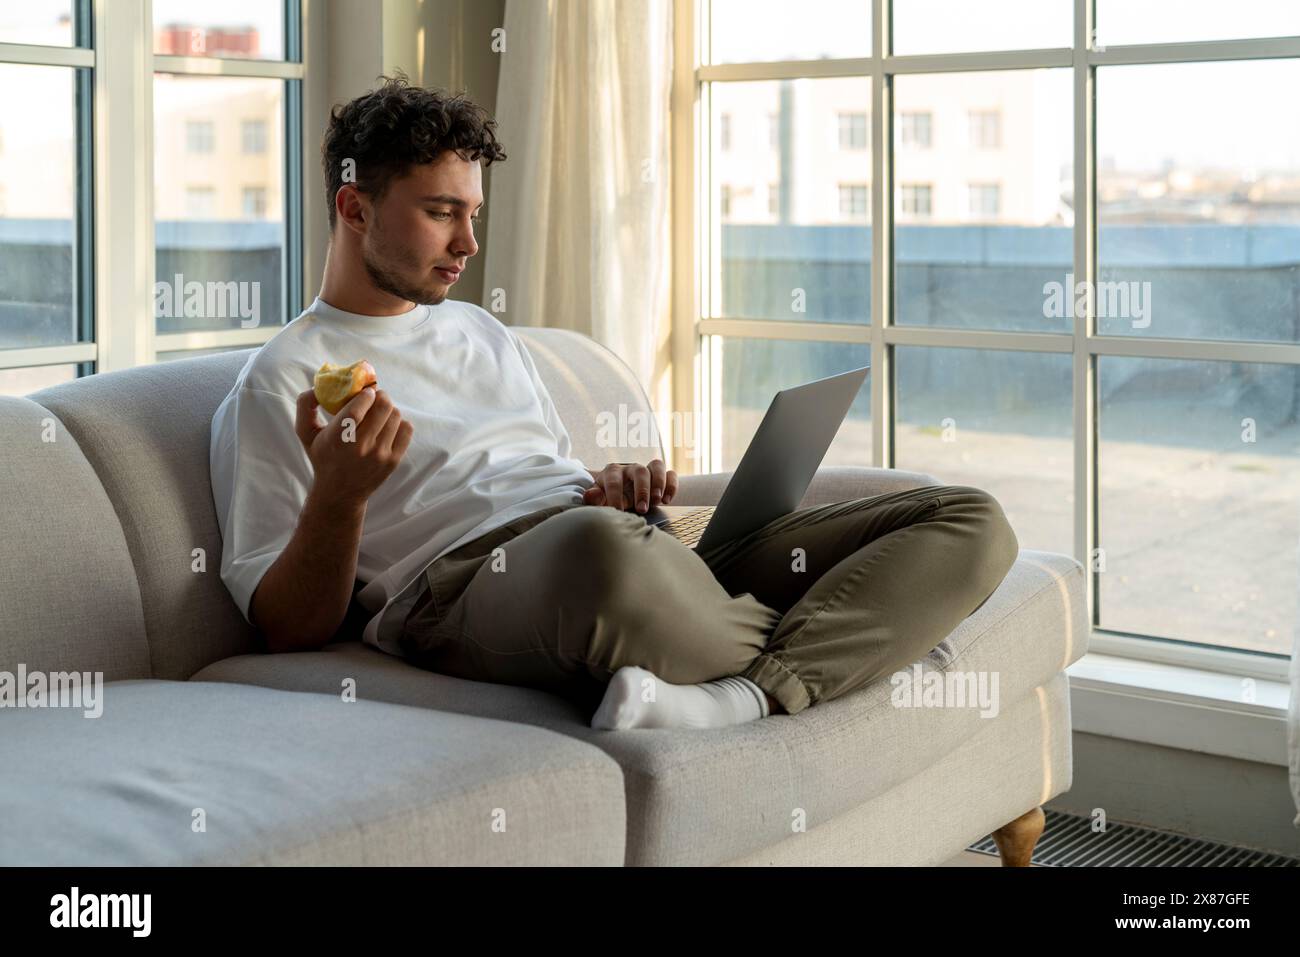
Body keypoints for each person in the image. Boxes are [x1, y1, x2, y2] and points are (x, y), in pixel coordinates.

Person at [210, 75, 1020, 732]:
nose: (468, 243)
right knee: (601, 550)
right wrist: (340, 497)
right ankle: (857, 632)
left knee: (969, 520)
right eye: (440, 212)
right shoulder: (281, 381)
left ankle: (738, 696)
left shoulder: (482, 332)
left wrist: (608, 482)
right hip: (467, 584)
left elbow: (547, 478)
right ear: (354, 209)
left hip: (626, 543)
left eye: (474, 213)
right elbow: (285, 627)